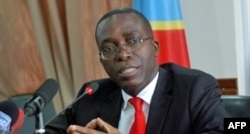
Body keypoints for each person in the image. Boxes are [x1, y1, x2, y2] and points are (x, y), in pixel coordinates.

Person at [45, 8, 228, 134]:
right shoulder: (92, 96)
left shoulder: (194, 88)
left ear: (155, 48)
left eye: (132, 41)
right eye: (108, 49)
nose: (122, 55)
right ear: (101, 59)